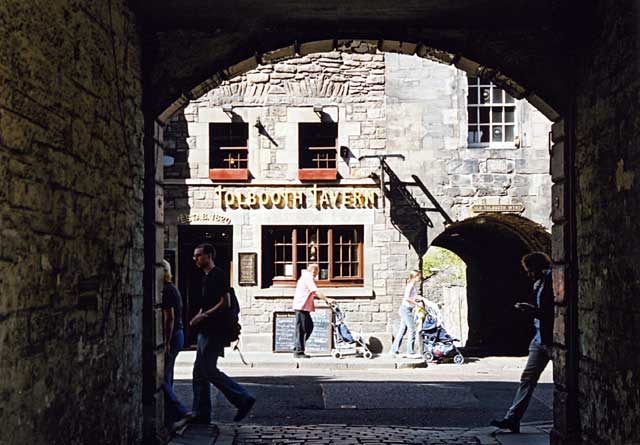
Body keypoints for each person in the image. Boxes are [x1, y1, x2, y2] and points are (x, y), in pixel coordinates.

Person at [189, 243, 255, 424]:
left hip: (214, 330)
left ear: (209, 255)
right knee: (200, 372)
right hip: (206, 329)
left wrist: (204, 315)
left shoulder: (218, 275)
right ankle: (201, 413)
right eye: (194, 256)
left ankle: (242, 398)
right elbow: (208, 301)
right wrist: (198, 315)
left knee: (207, 370)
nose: (195, 259)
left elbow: (224, 302)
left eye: (198, 255)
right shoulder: (205, 277)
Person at [490, 251, 555, 433]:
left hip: (552, 338)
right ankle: (512, 419)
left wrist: (532, 311)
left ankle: (564, 421)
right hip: (539, 337)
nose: (528, 273)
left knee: (563, 381)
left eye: (530, 269)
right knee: (527, 378)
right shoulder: (540, 282)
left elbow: (552, 311)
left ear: (538, 266)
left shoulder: (552, 280)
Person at [161, 260, 193, 432]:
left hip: (173, 336)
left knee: (160, 378)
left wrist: (165, 342)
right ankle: (169, 418)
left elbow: (169, 318)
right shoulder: (172, 288)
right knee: (168, 376)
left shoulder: (166, 290)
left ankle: (181, 412)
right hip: (178, 335)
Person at [292, 263, 335, 359]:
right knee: (302, 329)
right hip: (301, 307)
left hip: (304, 307)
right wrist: (327, 299)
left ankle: (298, 346)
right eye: (317, 272)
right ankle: (298, 351)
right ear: (313, 271)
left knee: (309, 327)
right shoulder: (308, 278)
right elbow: (315, 291)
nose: (316, 275)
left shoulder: (306, 277)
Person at [390, 270, 422, 358]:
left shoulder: (412, 285)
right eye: (419, 276)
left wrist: (418, 299)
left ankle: (393, 350)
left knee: (402, 330)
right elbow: (407, 298)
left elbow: (411, 297)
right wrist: (417, 303)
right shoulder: (410, 285)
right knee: (412, 329)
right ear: (415, 276)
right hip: (405, 309)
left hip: (406, 309)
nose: (420, 278)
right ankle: (410, 352)